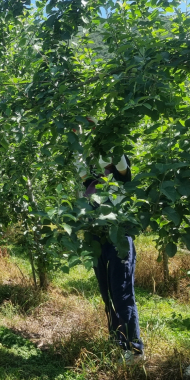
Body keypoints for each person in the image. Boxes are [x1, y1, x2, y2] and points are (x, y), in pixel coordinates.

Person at [77, 131, 144, 363]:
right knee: (106, 291)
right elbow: (82, 170)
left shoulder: (119, 174)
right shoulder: (91, 184)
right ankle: (117, 341)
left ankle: (134, 350)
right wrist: (80, 137)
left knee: (122, 292)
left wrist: (98, 128)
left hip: (118, 236)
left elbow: (119, 160)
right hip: (97, 238)